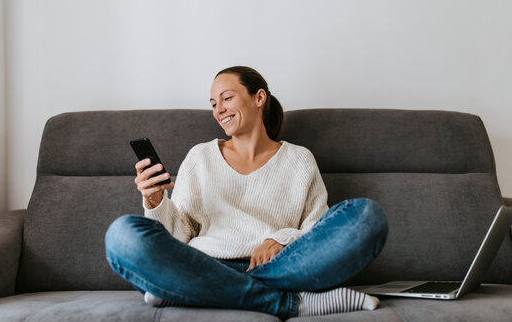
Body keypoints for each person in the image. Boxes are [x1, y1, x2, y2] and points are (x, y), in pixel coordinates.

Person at [104, 66, 389, 319]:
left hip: (282, 267)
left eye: (227, 98)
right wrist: (154, 201)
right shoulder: (200, 156)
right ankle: (288, 304)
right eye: (214, 104)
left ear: (259, 98)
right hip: (204, 263)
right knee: (121, 234)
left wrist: (279, 238)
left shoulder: (299, 159)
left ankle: (187, 289)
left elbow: (317, 229)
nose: (219, 110)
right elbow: (179, 237)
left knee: (367, 215)